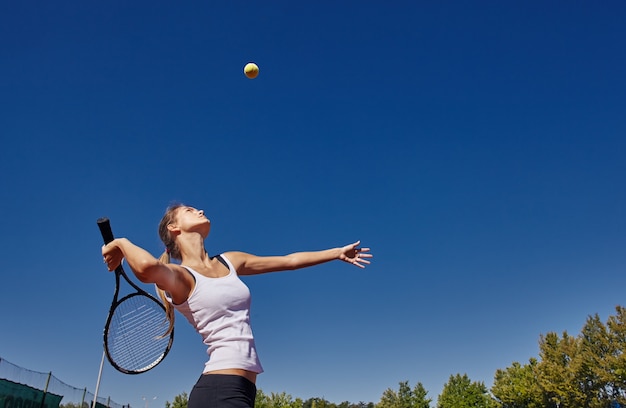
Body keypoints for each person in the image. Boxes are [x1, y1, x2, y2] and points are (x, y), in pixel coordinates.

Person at [101, 203, 372, 408]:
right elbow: (148, 268)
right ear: (174, 228)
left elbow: (289, 261)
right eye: (189, 209)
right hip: (220, 389)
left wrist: (336, 253)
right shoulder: (182, 277)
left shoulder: (230, 261)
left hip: (241, 389)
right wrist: (122, 243)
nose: (200, 209)